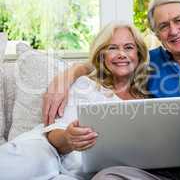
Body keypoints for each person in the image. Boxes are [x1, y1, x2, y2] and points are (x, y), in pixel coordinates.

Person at [43, 0, 180, 180]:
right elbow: (109, 59)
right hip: (166, 171)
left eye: (178, 20)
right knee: (108, 176)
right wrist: (66, 77)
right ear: (158, 36)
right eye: (164, 26)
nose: (173, 31)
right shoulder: (151, 63)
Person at [0, 21, 150, 180]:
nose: (122, 54)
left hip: (81, 174)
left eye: (128, 47)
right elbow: (52, 134)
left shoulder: (149, 95)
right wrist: (68, 137)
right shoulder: (86, 85)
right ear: (102, 55)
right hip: (45, 154)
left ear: (139, 53)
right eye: (112, 48)